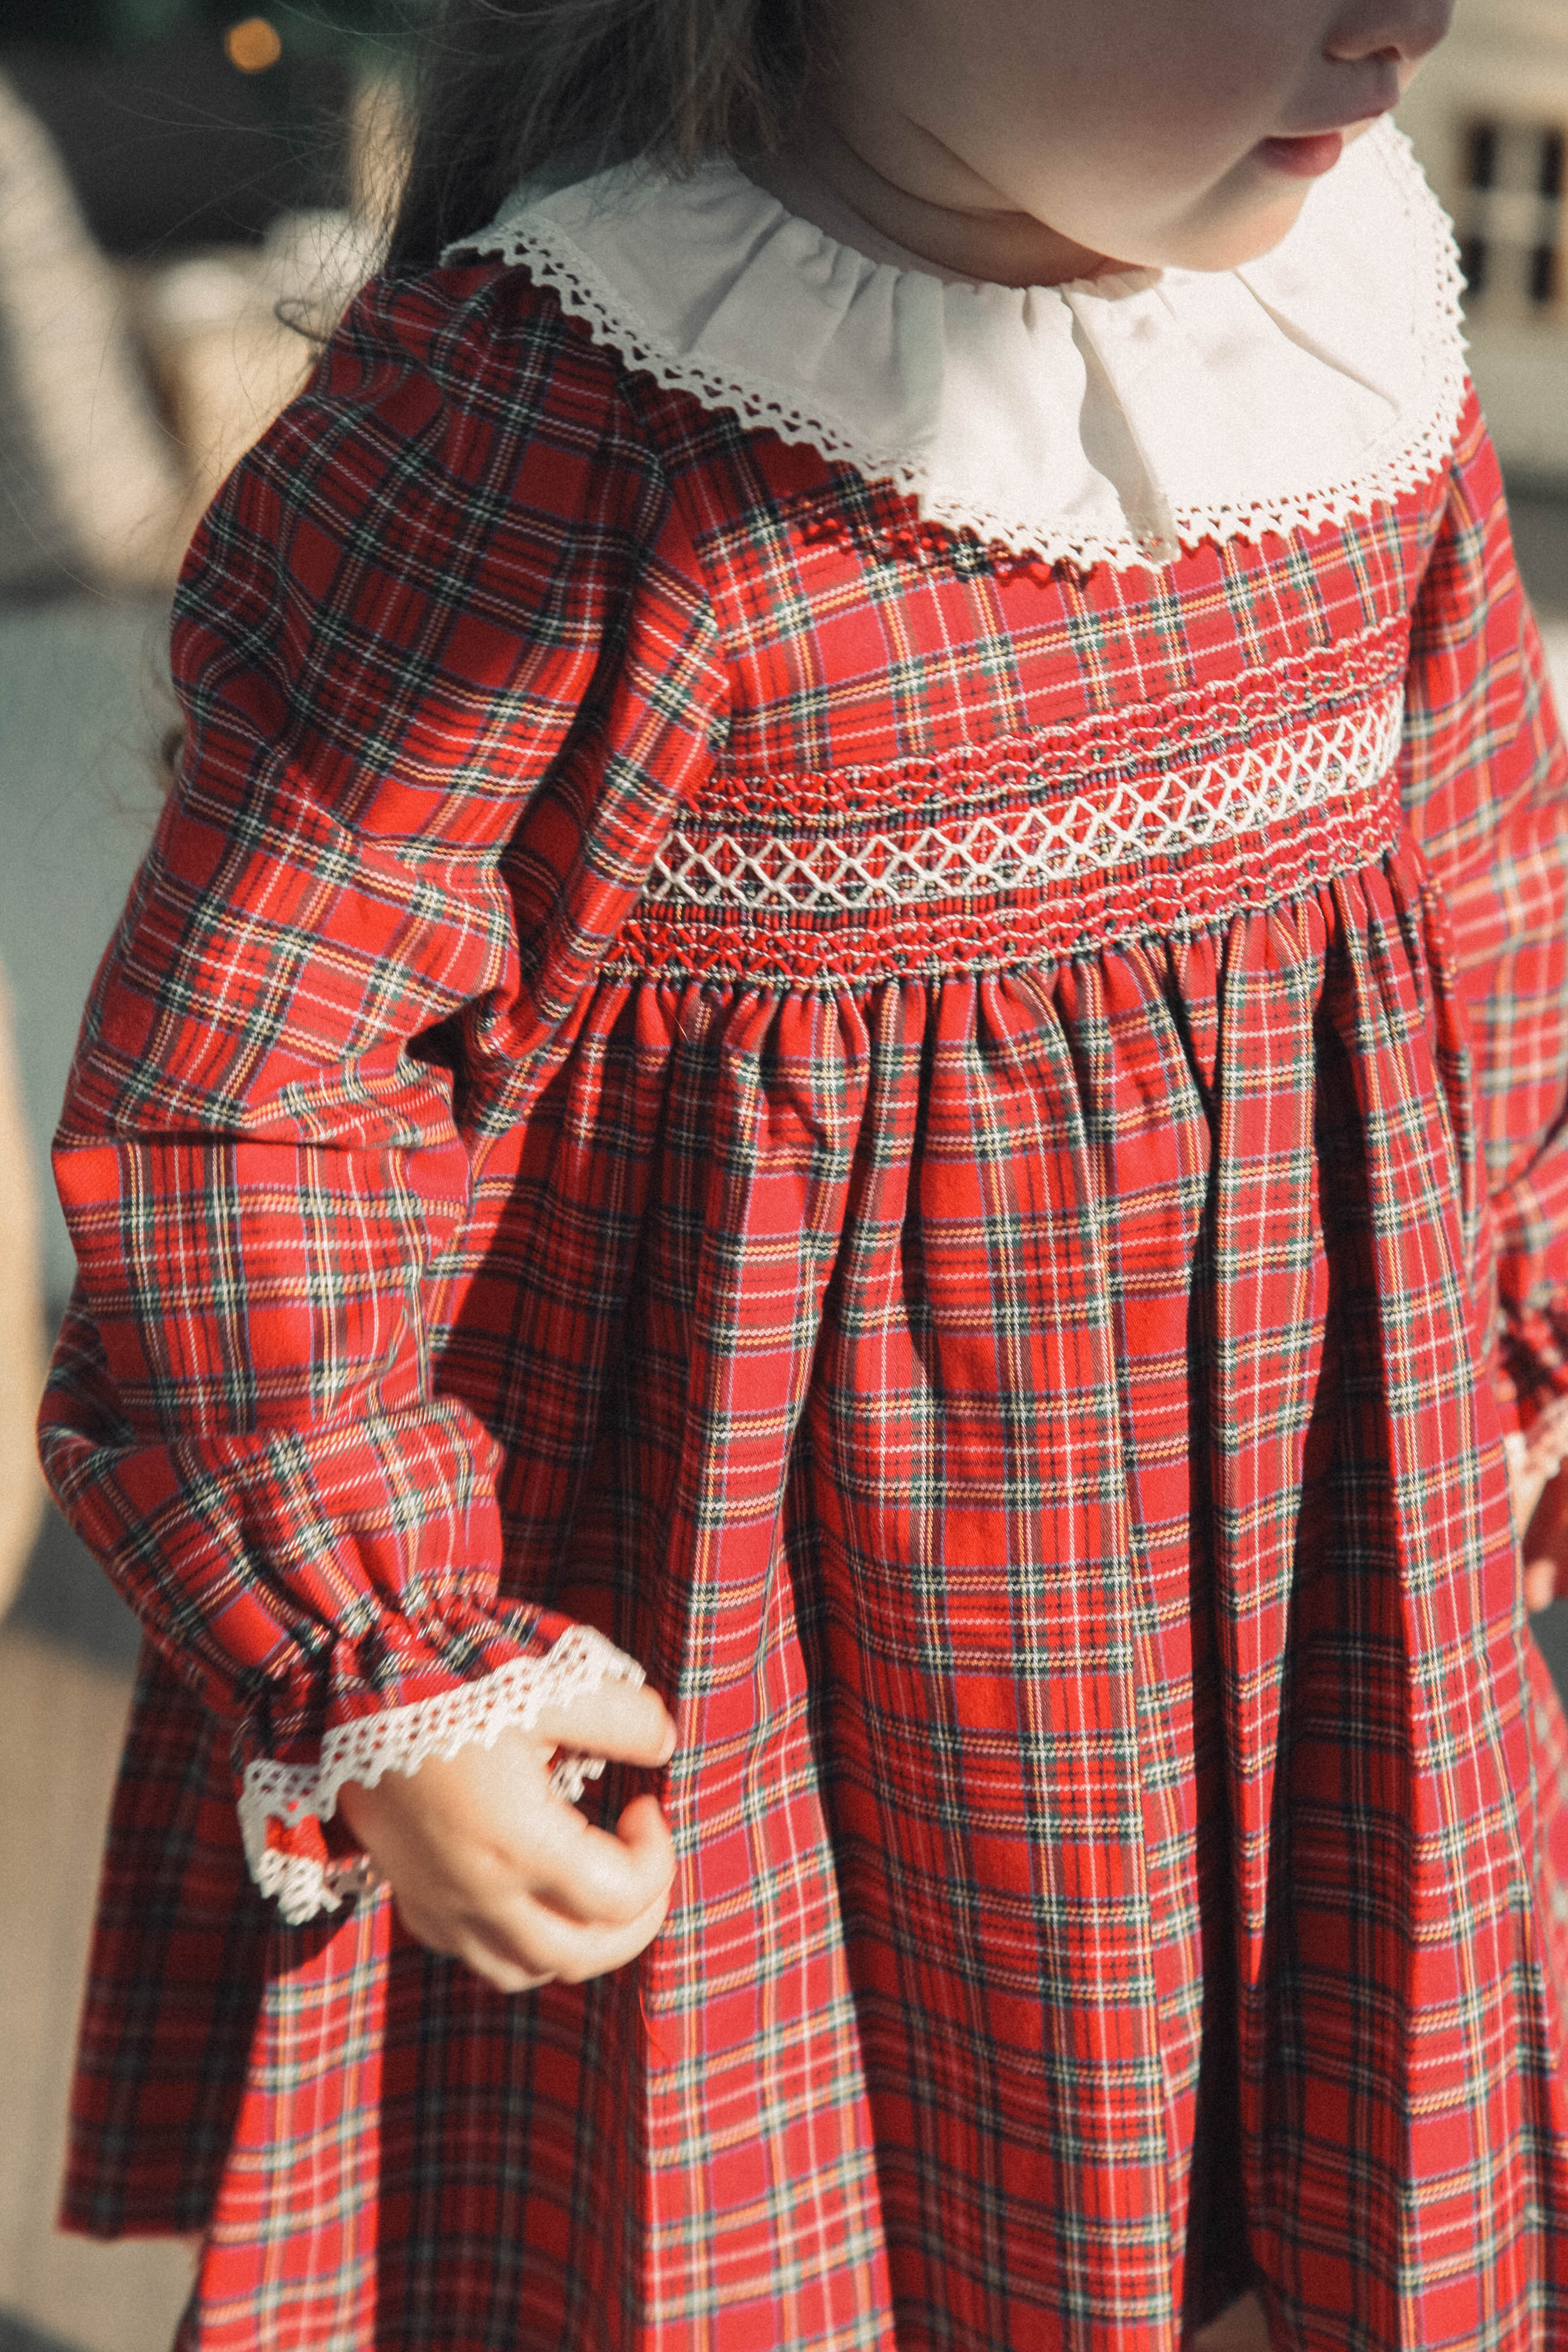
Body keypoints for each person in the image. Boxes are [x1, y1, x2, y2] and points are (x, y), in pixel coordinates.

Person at [35, 0, 1568, 2342]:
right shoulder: (568, 413)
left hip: (1305, 1550)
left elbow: (1480, 866)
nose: (1406, 17)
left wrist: (1527, 1265)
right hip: (765, 1643)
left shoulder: (1339, 313)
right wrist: (398, 1647)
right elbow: (259, 1091)